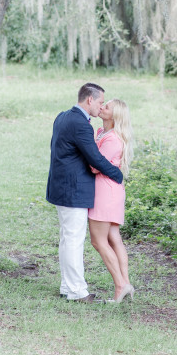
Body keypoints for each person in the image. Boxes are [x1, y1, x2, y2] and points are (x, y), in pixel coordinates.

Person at [46, 82, 123, 302]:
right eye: (100, 102)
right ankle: (77, 292)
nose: (101, 107)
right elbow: (95, 159)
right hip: (73, 190)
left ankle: (67, 287)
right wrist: (117, 175)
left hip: (61, 187)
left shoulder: (62, 116)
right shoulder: (81, 124)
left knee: (66, 239)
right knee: (73, 240)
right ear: (90, 100)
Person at [88, 98, 134, 303]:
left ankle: (120, 285)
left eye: (106, 107)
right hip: (110, 189)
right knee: (113, 238)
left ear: (114, 116)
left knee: (98, 241)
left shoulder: (113, 139)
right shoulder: (103, 133)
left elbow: (96, 166)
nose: (101, 107)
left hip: (106, 191)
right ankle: (126, 283)